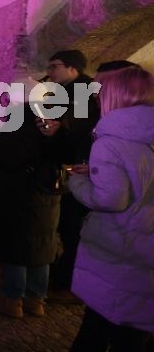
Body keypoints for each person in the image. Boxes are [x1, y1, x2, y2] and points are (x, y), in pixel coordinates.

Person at [24, 66, 154, 352]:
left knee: (116, 330)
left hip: (118, 247)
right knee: (114, 327)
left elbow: (110, 199)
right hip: (140, 245)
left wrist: (77, 181)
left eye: (102, 91)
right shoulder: (145, 137)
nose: (97, 97)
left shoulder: (111, 141)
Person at [0, 91, 69, 318]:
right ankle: (36, 299)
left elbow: (12, 157)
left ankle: (12, 299)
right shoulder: (55, 119)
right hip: (47, 193)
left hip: (21, 193)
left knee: (17, 245)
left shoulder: (23, 118)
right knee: (42, 244)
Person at [45, 49, 100, 300]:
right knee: (66, 225)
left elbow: (79, 126)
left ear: (72, 68)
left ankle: (67, 282)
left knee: (72, 227)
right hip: (70, 164)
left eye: (55, 66)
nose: (50, 72)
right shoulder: (65, 90)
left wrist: (60, 125)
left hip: (77, 167)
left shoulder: (82, 89)